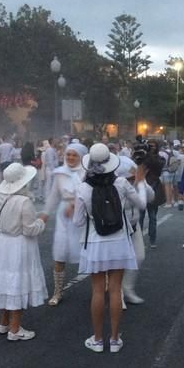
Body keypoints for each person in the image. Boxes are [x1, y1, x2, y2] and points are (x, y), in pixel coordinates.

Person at [75, 143, 148, 353]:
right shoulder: (122, 183)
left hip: (95, 244)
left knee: (98, 290)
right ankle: (115, 339)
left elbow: (78, 222)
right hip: (119, 242)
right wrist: (141, 184)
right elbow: (141, 204)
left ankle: (98, 340)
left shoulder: (83, 188)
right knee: (115, 290)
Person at [0, 163, 48, 340]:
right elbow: (30, 229)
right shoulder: (24, 201)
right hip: (20, 245)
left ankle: (4, 322)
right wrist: (42, 220)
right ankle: (15, 328)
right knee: (18, 282)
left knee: (6, 280)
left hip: (3, 242)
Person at [43, 142, 88, 306]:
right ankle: (57, 291)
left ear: (82, 157)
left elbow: (91, 194)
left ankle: (103, 285)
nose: (70, 157)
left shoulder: (89, 173)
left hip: (84, 216)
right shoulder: (59, 173)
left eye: (74, 155)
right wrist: (45, 214)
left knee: (91, 252)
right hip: (64, 217)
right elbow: (54, 195)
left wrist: (76, 205)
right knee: (59, 253)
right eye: (68, 154)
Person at [117, 155, 154, 305]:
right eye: (131, 175)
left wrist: (142, 183)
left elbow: (151, 197)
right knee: (118, 261)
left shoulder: (137, 181)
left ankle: (128, 288)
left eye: (135, 174)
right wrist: (137, 184)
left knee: (139, 257)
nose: (134, 177)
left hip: (134, 225)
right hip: (118, 227)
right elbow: (141, 204)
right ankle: (117, 293)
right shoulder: (117, 185)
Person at [139, 140, 165, 249]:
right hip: (142, 187)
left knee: (153, 217)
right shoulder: (142, 156)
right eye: (149, 146)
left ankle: (152, 239)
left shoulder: (160, 158)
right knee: (140, 217)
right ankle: (138, 240)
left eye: (153, 146)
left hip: (154, 187)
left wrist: (148, 154)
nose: (151, 148)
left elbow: (156, 165)